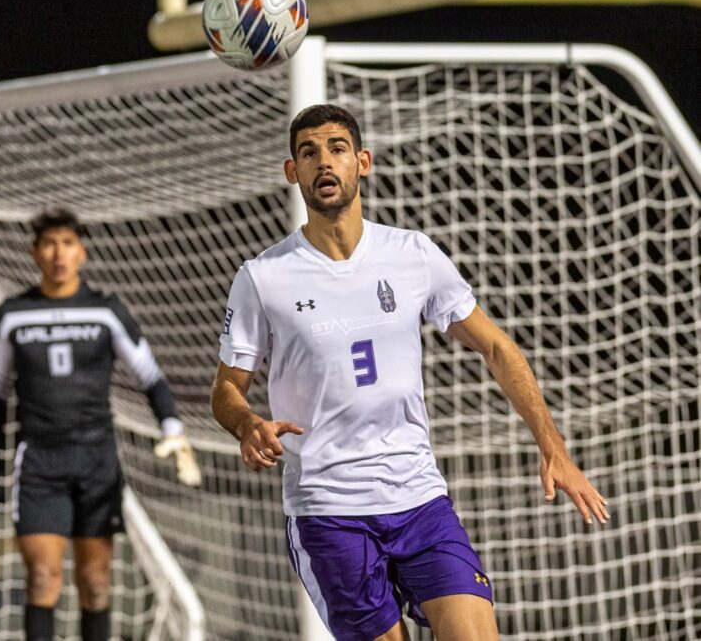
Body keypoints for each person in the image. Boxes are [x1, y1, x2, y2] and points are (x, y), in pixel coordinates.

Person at [210, 104, 609, 641]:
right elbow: (226, 389)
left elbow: (496, 348)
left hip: (419, 498)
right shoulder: (262, 277)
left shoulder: (412, 253)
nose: (323, 162)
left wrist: (553, 448)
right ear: (292, 172)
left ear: (363, 162)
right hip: (330, 510)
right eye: (308, 153)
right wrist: (246, 424)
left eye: (337, 148)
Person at [0, 206, 201, 641]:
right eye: (50, 244)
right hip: (38, 462)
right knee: (42, 578)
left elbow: (150, 377)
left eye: (68, 243)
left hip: (96, 460)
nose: (59, 253)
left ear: (82, 253)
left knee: (95, 584)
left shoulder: (105, 311)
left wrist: (173, 430)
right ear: (35, 253)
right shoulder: (12, 315)